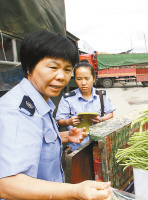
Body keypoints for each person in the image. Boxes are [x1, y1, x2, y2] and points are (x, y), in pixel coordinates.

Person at [0, 30, 112, 200]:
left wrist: (66, 136)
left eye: (67, 70)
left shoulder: (40, 103)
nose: (61, 77)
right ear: (29, 66)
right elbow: (7, 185)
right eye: (53, 67)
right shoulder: (18, 111)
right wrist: (75, 191)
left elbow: (32, 140)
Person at [56, 61, 116, 152]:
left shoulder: (101, 95)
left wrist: (101, 119)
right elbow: (60, 120)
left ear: (94, 78)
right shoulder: (68, 98)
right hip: (77, 147)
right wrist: (69, 121)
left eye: (87, 78)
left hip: (99, 145)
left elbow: (110, 114)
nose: (83, 83)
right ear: (75, 79)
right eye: (79, 79)